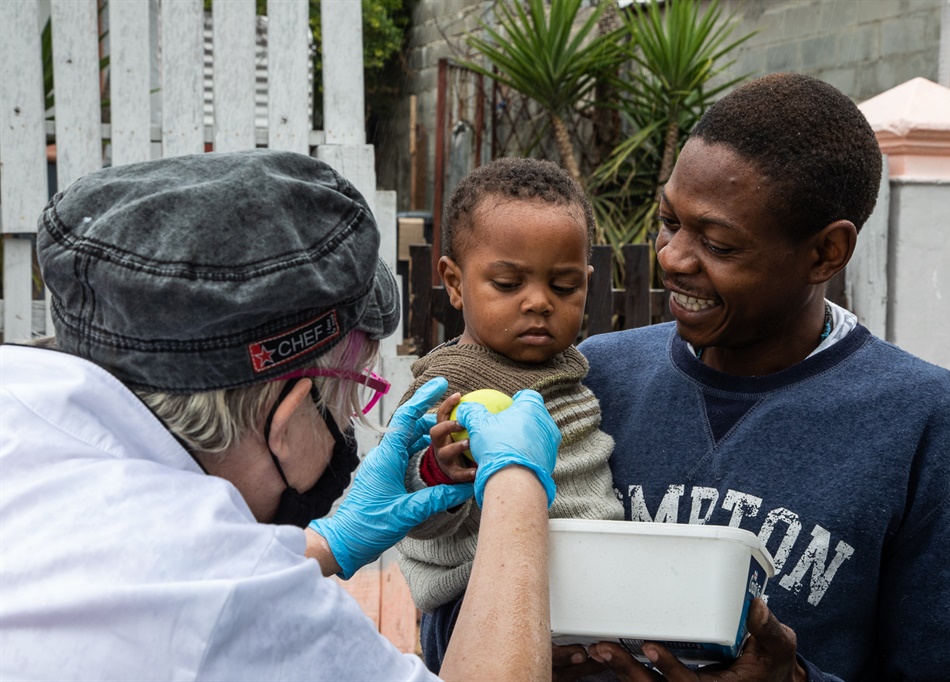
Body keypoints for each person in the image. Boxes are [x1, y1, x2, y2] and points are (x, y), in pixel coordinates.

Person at [0, 149, 562, 680]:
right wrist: (515, 482)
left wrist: (323, 545)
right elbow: (210, 590)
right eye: (350, 401)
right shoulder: (225, 593)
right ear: (292, 414)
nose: (348, 428)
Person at [560, 73, 950, 681]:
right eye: (669, 221)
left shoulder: (927, 425)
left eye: (718, 244)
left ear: (826, 253)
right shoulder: (597, 379)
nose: (672, 257)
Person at [393, 157, 624, 671]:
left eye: (564, 287)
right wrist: (437, 469)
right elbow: (410, 511)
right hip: (474, 601)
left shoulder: (574, 369)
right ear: (454, 283)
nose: (539, 302)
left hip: (585, 601)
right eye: (507, 284)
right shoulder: (445, 387)